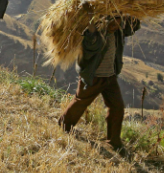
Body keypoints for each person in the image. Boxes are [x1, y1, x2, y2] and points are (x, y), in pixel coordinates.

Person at [58, 16, 141, 151]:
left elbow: (131, 28)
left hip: (110, 77)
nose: (115, 24)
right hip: (93, 77)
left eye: (118, 21)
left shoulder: (118, 32)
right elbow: (91, 44)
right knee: (81, 102)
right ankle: (64, 125)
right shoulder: (96, 33)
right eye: (112, 22)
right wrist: (91, 25)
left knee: (117, 106)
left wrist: (136, 12)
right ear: (104, 21)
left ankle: (114, 141)